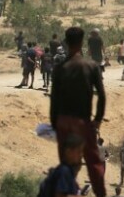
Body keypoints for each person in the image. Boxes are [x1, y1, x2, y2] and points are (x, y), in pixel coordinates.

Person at [50, 26, 107, 197]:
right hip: (83, 122)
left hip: (64, 121)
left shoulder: (60, 68)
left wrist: (55, 123)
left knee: (66, 164)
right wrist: (97, 120)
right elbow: (102, 96)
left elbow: (54, 99)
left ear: (66, 43)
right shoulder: (90, 66)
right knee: (94, 164)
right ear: (82, 42)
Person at [39, 132, 85, 197]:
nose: (81, 154)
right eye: (79, 151)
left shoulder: (66, 171)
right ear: (69, 152)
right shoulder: (64, 171)